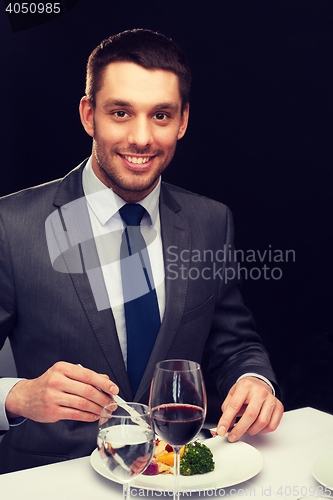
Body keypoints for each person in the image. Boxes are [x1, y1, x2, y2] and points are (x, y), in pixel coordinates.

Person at [0, 29, 283, 473]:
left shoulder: (210, 221)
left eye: (161, 115)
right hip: (53, 479)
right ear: (89, 115)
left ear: (183, 121)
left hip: (180, 475)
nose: (141, 137)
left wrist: (253, 379)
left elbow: (234, 343)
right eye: (121, 112)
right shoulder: (10, 225)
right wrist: (17, 397)